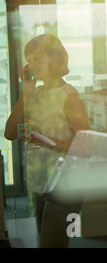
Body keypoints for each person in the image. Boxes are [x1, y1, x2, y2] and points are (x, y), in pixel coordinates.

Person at [4, 34, 90, 247]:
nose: (30, 65)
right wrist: (26, 92)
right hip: (40, 184)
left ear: (52, 59)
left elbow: (86, 147)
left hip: (65, 185)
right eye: (29, 59)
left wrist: (44, 140)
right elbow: (9, 133)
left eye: (35, 59)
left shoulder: (69, 95)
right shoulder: (34, 94)